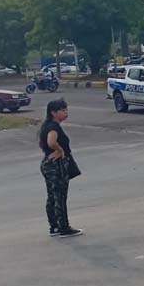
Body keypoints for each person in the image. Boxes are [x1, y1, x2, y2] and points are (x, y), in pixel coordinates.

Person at [39, 99, 83, 238]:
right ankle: (63, 227)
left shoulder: (48, 125)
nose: (66, 112)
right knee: (60, 196)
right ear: (53, 112)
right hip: (56, 165)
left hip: (49, 164)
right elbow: (51, 142)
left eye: (66, 110)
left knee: (52, 196)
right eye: (62, 110)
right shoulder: (53, 127)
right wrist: (60, 150)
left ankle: (54, 226)